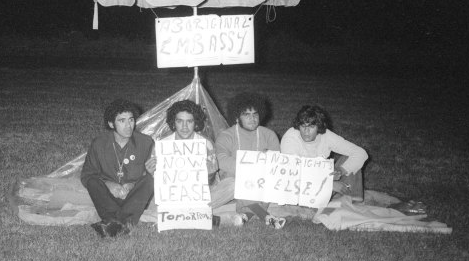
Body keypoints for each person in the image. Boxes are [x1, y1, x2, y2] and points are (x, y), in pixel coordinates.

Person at [81, 99, 154, 238]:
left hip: (134, 196)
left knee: (150, 181)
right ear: (111, 124)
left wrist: (133, 184)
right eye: (122, 121)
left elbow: (150, 174)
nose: (129, 126)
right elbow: (87, 174)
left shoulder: (146, 142)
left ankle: (113, 223)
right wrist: (108, 184)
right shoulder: (99, 143)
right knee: (92, 183)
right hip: (108, 197)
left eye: (131, 120)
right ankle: (124, 223)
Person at [215, 92, 286, 229]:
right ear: (237, 117)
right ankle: (264, 215)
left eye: (255, 114)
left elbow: (276, 163)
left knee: (270, 183)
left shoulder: (269, 135)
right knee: (237, 182)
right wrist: (250, 169)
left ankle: (246, 215)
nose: (252, 119)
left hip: (261, 180)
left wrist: (266, 163)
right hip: (233, 179)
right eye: (246, 115)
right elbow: (222, 161)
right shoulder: (226, 136)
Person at [280, 105, 368, 202]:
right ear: (298, 126)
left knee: (348, 159)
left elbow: (360, 153)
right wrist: (328, 185)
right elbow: (293, 173)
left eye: (311, 126)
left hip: (320, 177)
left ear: (319, 127)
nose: (306, 131)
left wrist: (341, 170)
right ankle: (337, 199)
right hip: (298, 186)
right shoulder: (290, 137)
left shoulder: (326, 135)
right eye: (303, 126)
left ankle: (353, 200)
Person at [145, 99, 218, 184]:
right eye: (179, 121)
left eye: (189, 121)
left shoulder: (206, 144)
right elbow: (157, 184)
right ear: (173, 122)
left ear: (196, 123)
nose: (184, 127)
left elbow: (212, 183)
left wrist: (211, 174)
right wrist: (150, 173)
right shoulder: (161, 146)